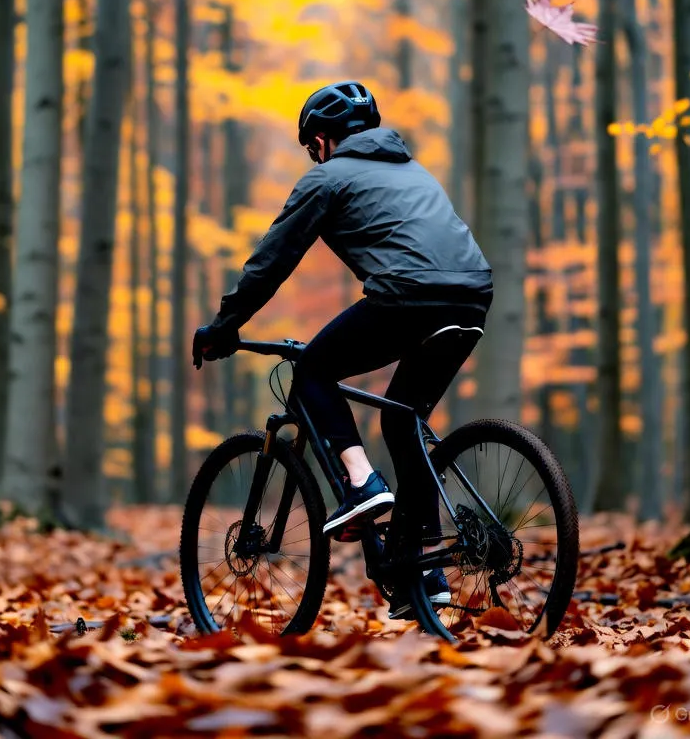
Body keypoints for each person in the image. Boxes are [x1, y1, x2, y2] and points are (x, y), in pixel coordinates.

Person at [193, 81, 493, 619]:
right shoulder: (414, 171)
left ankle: (362, 485)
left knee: (312, 369)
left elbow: (270, 262)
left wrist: (223, 326)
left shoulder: (327, 178)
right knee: (403, 420)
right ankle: (425, 570)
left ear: (325, 139)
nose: (313, 155)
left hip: (408, 295)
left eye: (312, 145)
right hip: (471, 299)